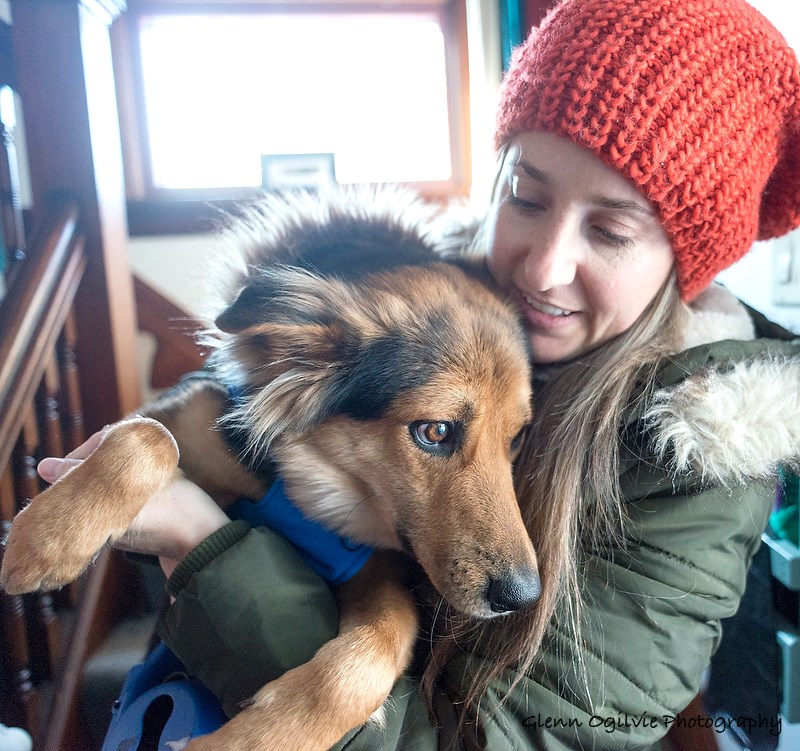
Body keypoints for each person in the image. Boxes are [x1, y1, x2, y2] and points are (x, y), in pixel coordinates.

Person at [39, 0, 800, 748]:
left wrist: (205, 545)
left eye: (610, 230)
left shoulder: (694, 485)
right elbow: (224, 417)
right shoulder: (433, 309)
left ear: (683, 262)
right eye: (526, 196)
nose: (541, 268)